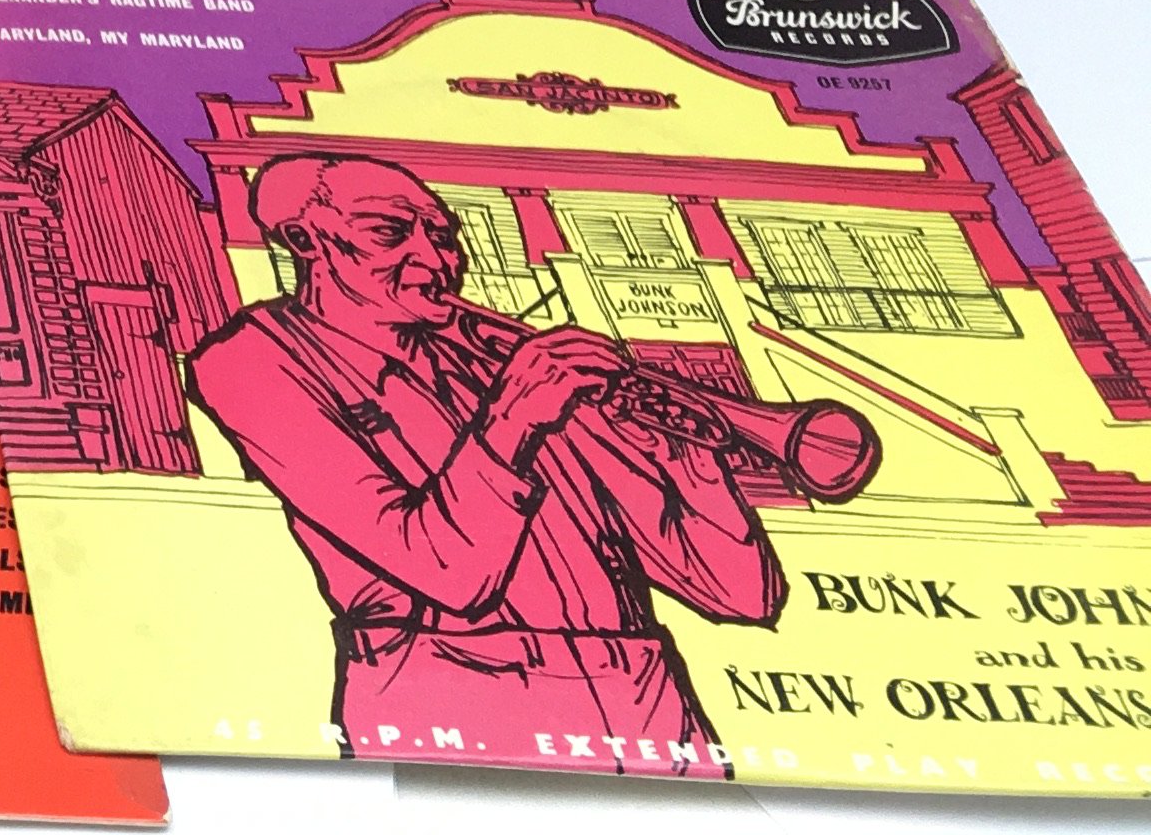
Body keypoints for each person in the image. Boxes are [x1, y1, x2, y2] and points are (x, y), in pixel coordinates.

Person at [184, 152, 794, 776]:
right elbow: (448, 573)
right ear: (304, 240)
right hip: (451, 689)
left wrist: (691, 467)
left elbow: (741, 595)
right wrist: (512, 418)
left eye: (443, 236)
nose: (436, 260)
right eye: (389, 232)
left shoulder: (495, 362)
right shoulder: (249, 360)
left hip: (646, 693)